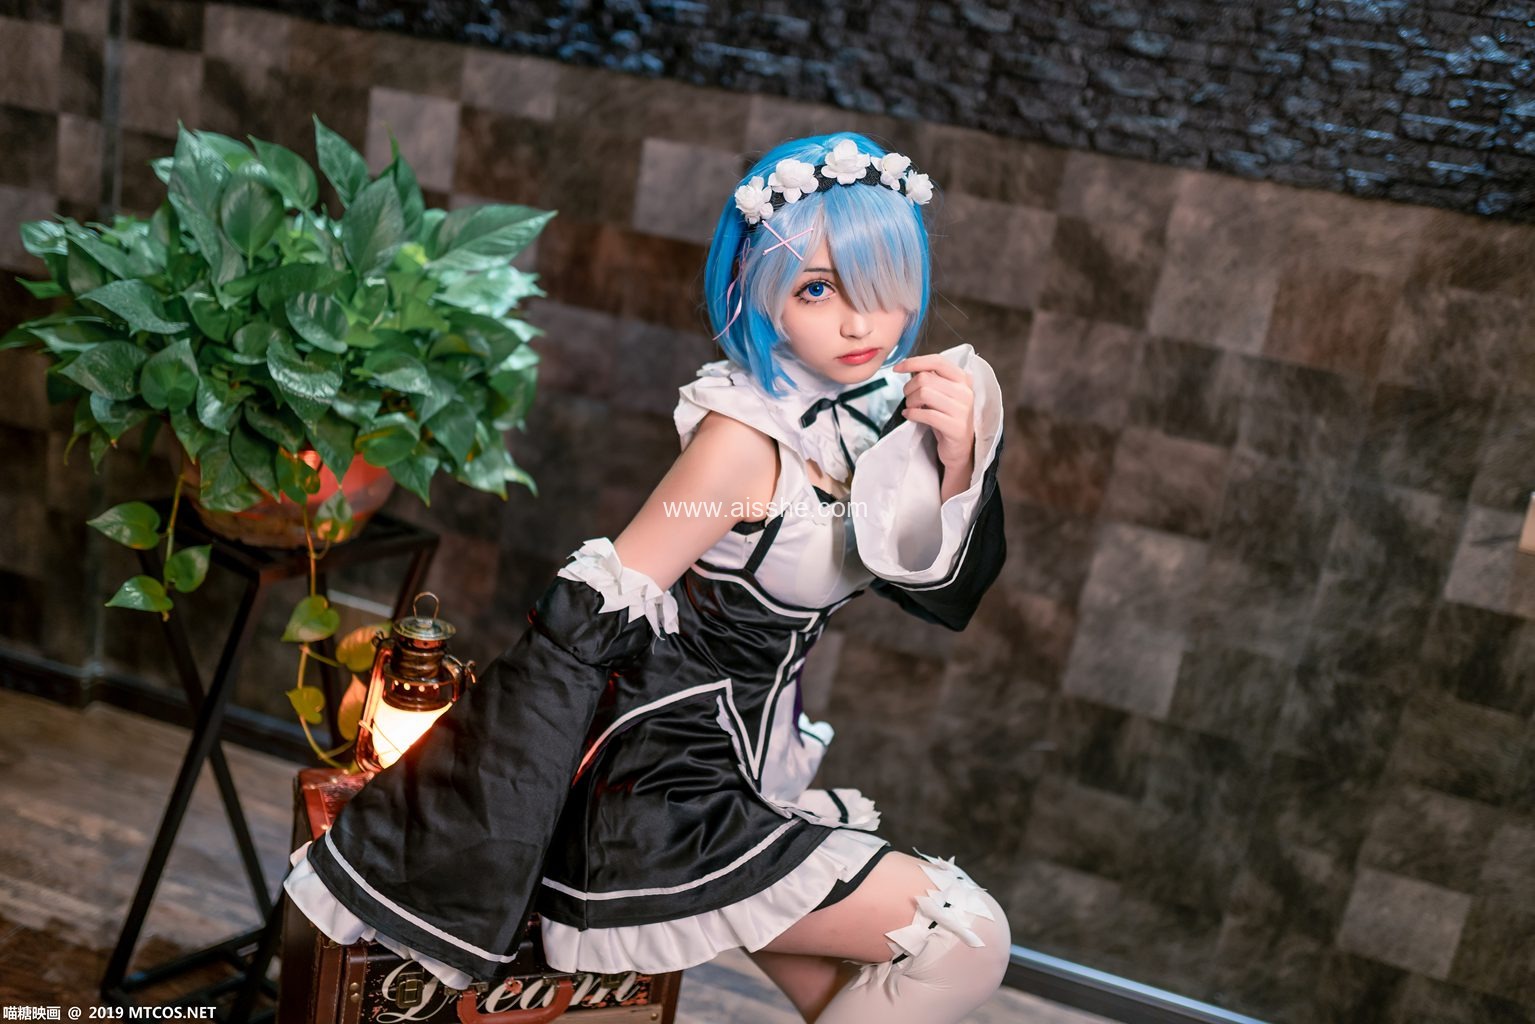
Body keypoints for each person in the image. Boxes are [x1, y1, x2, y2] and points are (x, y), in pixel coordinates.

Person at [282, 131, 1011, 1023]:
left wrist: (959, 459)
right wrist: (467, 834)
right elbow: (587, 618)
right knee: (966, 938)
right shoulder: (740, 445)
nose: (861, 324)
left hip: (752, 768)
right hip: (665, 788)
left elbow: (936, 593)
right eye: (818, 289)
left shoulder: (866, 420)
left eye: (884, 284)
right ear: (759, 291)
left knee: (852, 995)